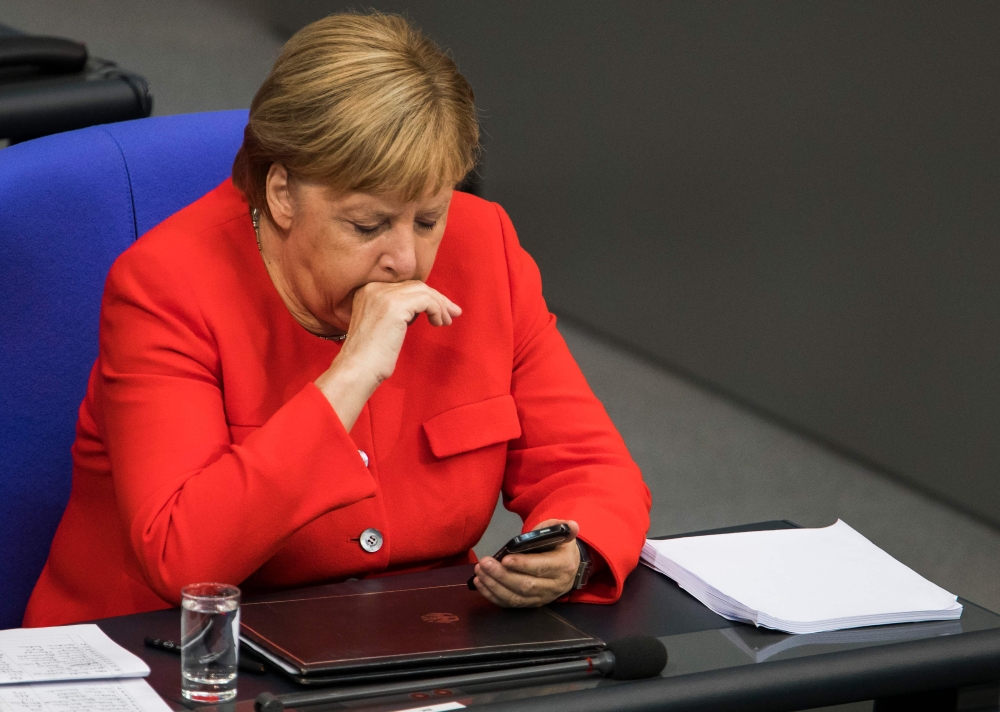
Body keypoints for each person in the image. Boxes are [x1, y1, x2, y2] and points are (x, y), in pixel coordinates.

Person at [23, 12, 650, 627]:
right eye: (368, 225)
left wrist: (576, 554)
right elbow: (182, 560)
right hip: (175, 656)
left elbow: (589, 467)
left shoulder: (485, 248)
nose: (406, 258)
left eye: (428, 218)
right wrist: (349, 377)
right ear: (281, 194)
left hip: (401, 648)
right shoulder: (166, 287)